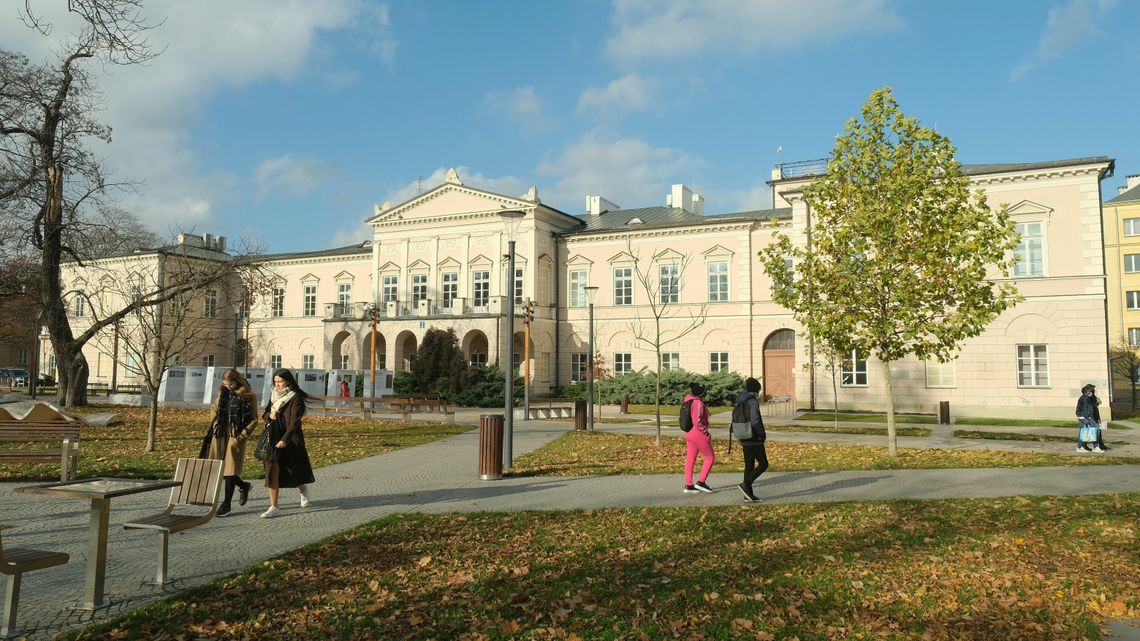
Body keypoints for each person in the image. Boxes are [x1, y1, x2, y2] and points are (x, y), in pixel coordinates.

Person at [261, 368, 316, 518]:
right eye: (275, 382)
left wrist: (285, 439)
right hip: (273, 437)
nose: (277, 384)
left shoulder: (295, 398)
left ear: (288, 381)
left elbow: (294, 423)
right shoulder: (273, 396)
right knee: (272, 471)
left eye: (280, 381)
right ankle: (274, 506)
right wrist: (269, 416)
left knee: (293, 470)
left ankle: (303, 490)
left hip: (290, 438)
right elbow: (264, 414)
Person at [204, 369, 258, 517]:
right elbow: (214, 409)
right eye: (225, 383)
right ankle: (244, 486)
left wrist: (241, 436)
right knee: (221, 470)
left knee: (230, 470)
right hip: (220, 435)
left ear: (238, 381)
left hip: (235, 435)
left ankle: (226, 504)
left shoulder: (247, 396)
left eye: (231, 383)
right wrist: (215, 424)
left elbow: (253, 419)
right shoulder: (223, 392)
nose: (228, 386)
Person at [731, 377, 768, 502]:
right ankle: (745, 484)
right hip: (754, 437)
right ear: (756, 390)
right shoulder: (752, 402)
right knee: (763, 464)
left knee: (749, 465)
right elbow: (755, 420)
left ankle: (748, 495)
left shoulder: (740, 399)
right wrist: (762, 434)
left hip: (743, 435)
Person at [682, 382, 715, 494]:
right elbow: (697, 421)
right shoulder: (698, 403)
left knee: (690, 458)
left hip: (689, 432)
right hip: (698, 434)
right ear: (702, 393)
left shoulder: (688, 400)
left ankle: (688, 485)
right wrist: (705, 433)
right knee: (710, 457)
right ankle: (701, 482)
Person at [1075, 384, 1109, 453]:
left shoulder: (1088, 398)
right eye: (1091, 391)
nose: (1093, 392)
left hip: (1088, 417)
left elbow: (1092, 408)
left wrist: (1097, 402)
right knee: (1092, 430)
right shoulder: (1083, 399)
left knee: (1086, 432)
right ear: (1087, 391)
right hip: (1085, 418)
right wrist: (1085, 418)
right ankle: (1093, 447)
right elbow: (1081, 410)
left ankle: (1084, 446)